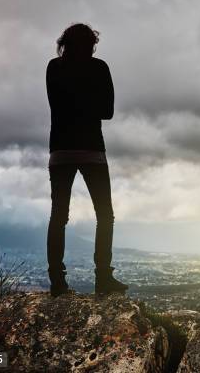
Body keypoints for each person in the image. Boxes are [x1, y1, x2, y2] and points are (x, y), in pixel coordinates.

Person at [46, 23, 128, 297]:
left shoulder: (54, 68)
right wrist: (88, 102)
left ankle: (57, 282)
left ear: (65, 43)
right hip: (92, 149)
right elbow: (107, 111)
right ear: (91, 44)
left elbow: (58, 107)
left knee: (59, 216)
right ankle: (103, 277)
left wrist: (74, 103)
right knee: (105, 215)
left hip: (60, 150)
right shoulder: (99, 68)